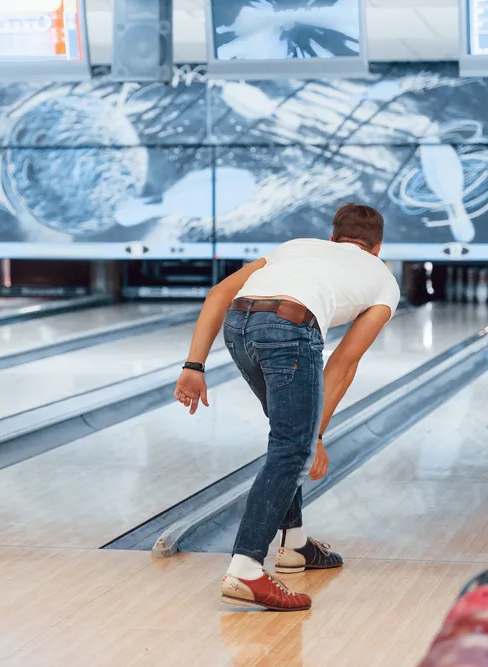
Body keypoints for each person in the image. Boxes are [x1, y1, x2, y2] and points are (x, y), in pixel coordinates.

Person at [173, 203, 400, 611]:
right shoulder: (384, 281)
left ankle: (294, 546)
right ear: (378, 247)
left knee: (285, 438)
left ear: (332, 238)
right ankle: (245, 570)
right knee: (293, 446)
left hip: (239, 325)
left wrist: (194, 365)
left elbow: (219, 293)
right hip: (291, 329)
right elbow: (344, 362)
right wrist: (316, 435)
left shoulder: (294, 246)